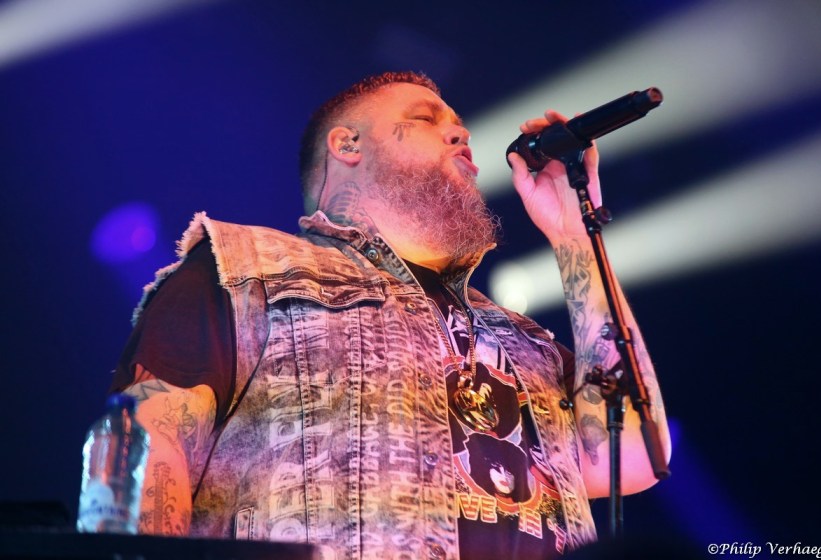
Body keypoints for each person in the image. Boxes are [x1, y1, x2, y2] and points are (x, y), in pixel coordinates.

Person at [111, 71, 670, 559]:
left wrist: (574, 236)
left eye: (461, 127)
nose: (461, 135)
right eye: (427, 118)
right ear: (347, 144)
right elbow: (143, 448)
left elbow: (635, 457)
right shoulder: (245, 269)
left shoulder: (523, 340)